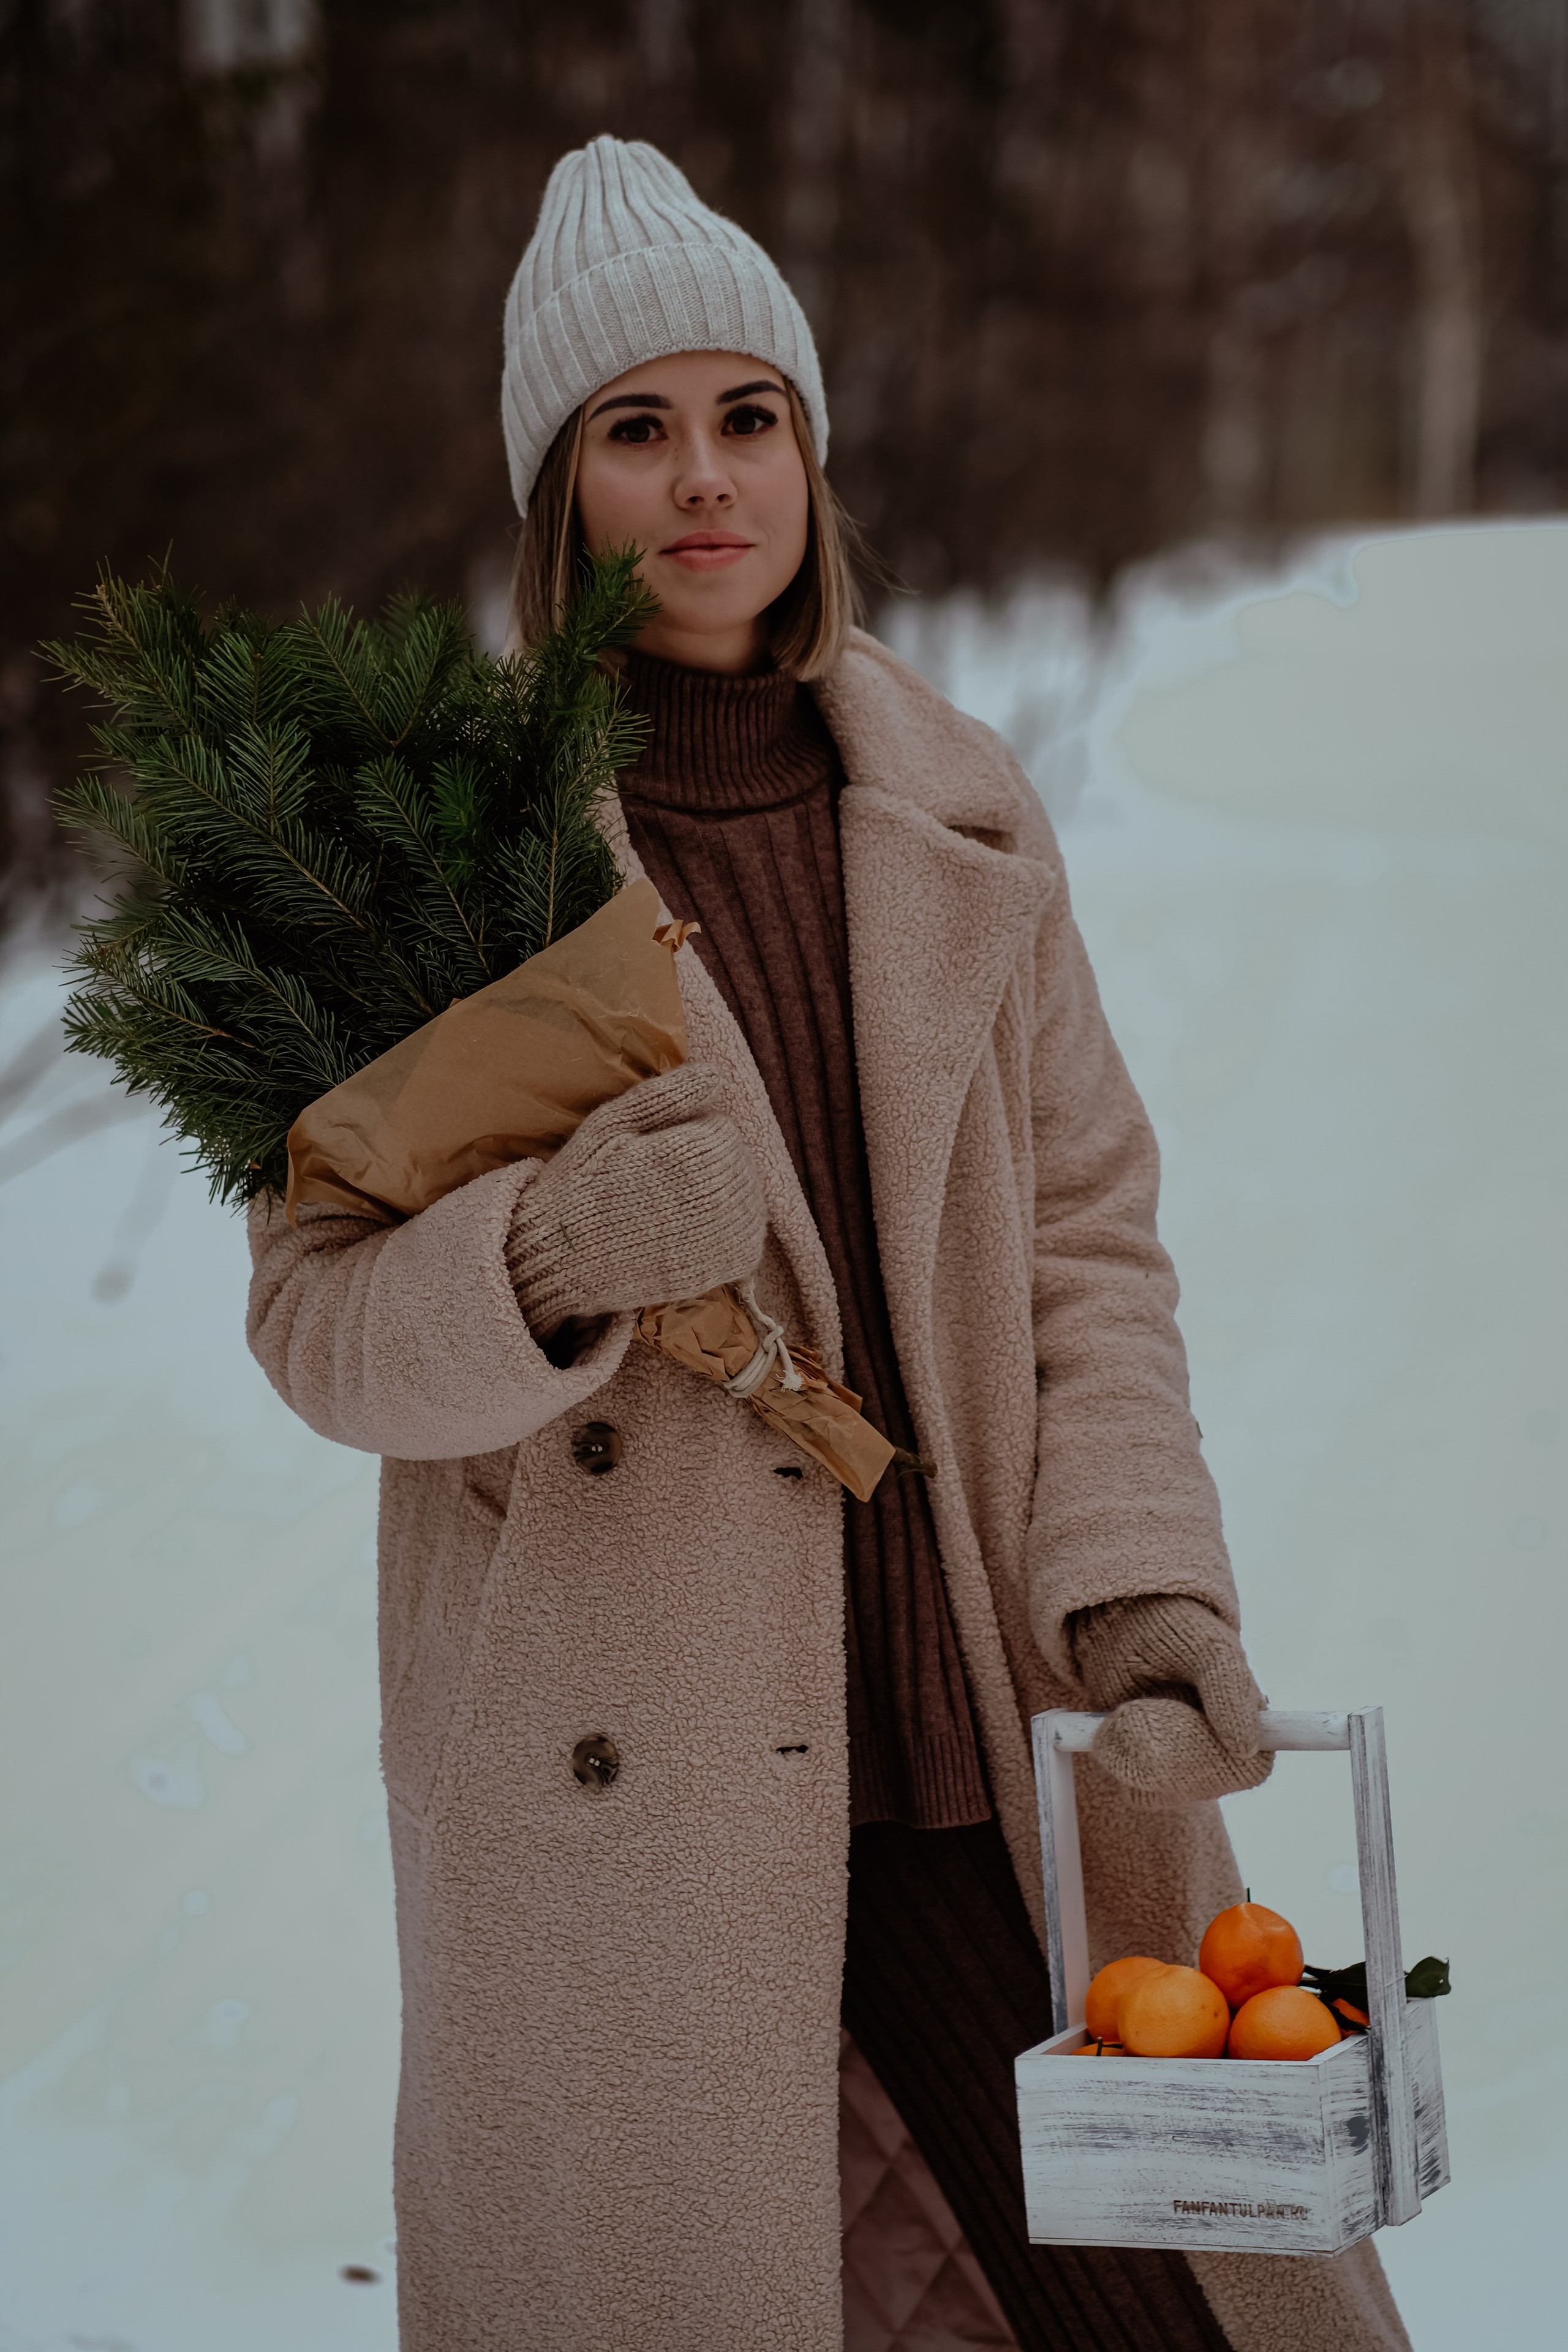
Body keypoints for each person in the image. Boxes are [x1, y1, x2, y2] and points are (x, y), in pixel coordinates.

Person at [248, 136, 1412, 2352]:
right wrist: (544, 1255)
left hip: (992, 1734)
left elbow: (1087, 1243)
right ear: (556, 492)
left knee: (1189, 2306)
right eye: (636, 428)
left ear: (809, 452)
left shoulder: (955, 806)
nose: (707, 476)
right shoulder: (439, 851)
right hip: (633, 1789)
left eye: (748, 415)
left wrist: (1143, 1583)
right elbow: (313, 1322)